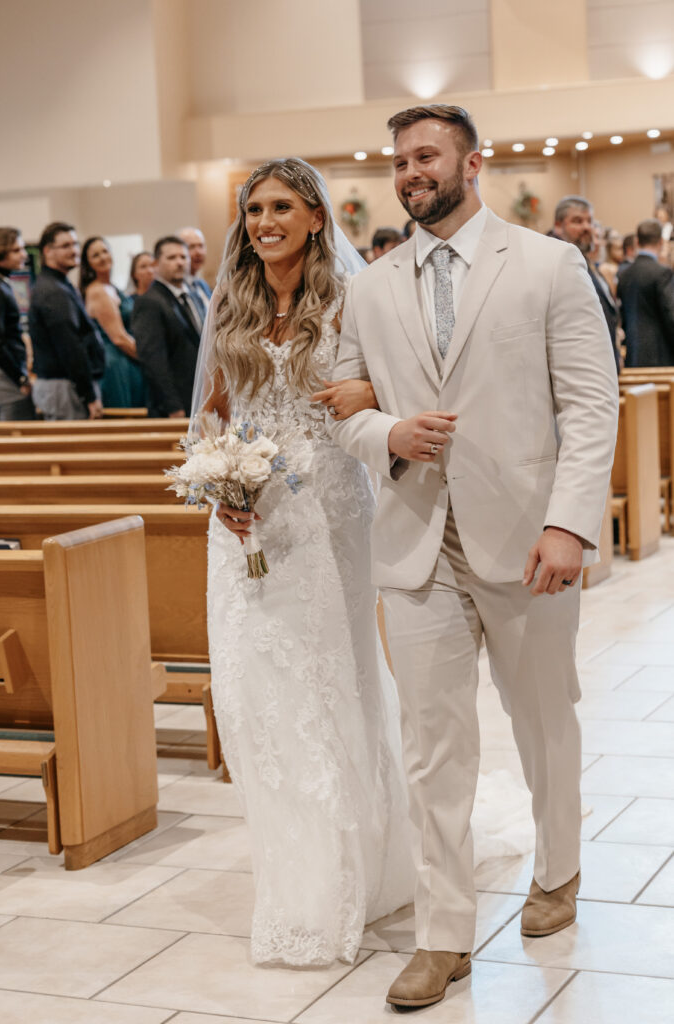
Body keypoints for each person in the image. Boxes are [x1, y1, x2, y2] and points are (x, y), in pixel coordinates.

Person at [328, 104, 618, 1009]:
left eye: (426, 156)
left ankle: (558, 869)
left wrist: (569, 522)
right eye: (398, 160)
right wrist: (386, 430)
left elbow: (589, 399)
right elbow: (341, 402)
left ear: (471, 163)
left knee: (542, 722)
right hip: (418, 544)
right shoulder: (371, 285)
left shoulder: (545, 262)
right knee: (432, 747)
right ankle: (443, 934)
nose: (409, 172)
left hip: (528, 538)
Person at [193, 157, 415, 967]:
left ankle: (348, 876)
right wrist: (217, 473)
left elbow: (394, 390)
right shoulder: (235, 302)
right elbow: (213, 410)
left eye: (281, 207)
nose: (264, 223)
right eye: (254, 210)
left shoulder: (351, 299)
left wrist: (368, 399)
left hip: (326, 515)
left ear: (317, 216)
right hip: (246, 521)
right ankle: (291, 873)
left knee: (331, 684)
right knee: (257, 697)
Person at [28, 222, 104, 420]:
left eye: (75, 244)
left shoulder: (59, 284)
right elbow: (70, 346)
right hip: (63, 386)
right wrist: (89, 394)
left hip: (65, 384)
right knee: (74, 448)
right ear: (47, 251)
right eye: (66, 246)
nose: (74, 250)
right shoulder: (53, 291)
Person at [132, 236, 203, 417]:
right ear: (155, 264)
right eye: (171, 258)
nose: (179, 262)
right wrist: (173, 406)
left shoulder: (193, 295)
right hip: (174, 404)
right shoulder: (149, 302)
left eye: (183, 257)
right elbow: (153, 361)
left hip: (199, 396)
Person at [554, 196, 620, 374]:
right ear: (558, 226)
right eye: (577, 221)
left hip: (604, 369)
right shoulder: (556, 266)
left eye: (589, 221)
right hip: (582, 371)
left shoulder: (588, 264)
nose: (586, 227)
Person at [79, 236, 146, 409]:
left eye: (105, 251)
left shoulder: (113, 287)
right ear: (88, 264)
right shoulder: (98, 291)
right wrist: (151, 359)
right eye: (95, 255)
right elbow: (119, 338)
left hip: (128, 358)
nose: (102, 257)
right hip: (116, 363)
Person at [617, 218, 674, 366]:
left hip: (632, 352)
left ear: (637, 242)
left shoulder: (623, 274)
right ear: (661, 242)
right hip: (660, 356)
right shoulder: (662, 273)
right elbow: (671, 315)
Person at [0, 226, 34, 420]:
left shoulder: (1, 283)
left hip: (1, 371)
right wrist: (20, 377)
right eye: (16, 250)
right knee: (15, 434)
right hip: (2, 373)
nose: (24, 255)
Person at [178, 226, 212, 313]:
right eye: (191, 247)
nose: (198, 252)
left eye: (201, 246)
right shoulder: (177, 289)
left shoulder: (203, 285)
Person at [599, 228, 623, 299]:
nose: (622, 252)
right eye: (619, 248)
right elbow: (612, 295)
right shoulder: (606, 268)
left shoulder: (621, 266)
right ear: (610, 250)